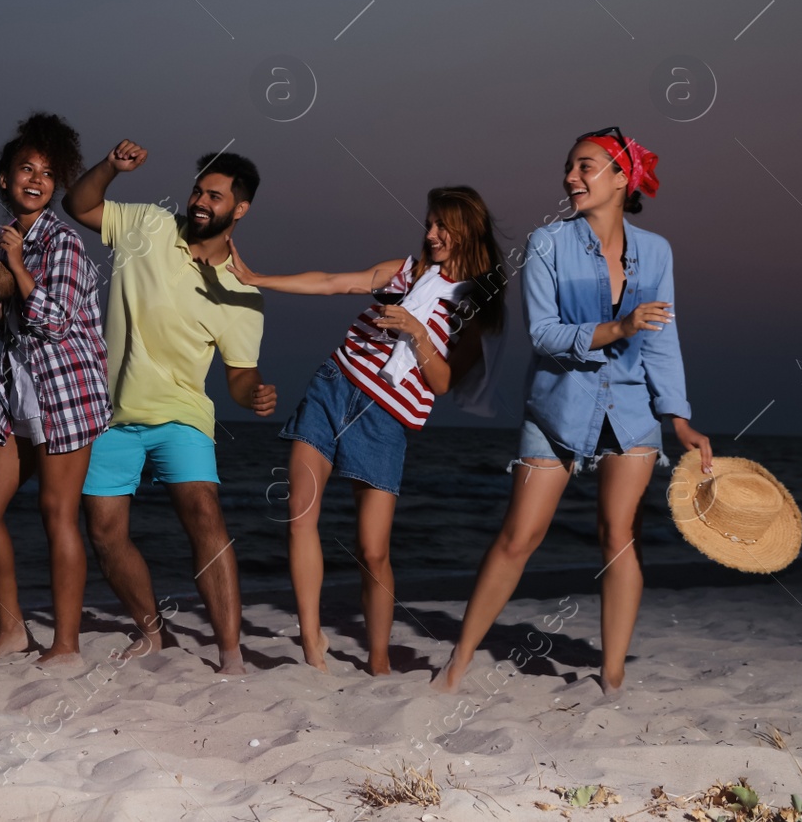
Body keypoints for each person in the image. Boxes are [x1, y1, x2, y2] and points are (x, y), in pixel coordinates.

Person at [437, 128, 713, 695]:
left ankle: (611, 681)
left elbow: (662, 340)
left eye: (585, 167)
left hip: (633, 409)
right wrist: (618, 327)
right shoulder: (547, 243)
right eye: (568, 167)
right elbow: (544, 334)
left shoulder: (656, 251)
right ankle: (457, 664)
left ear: (621, 177)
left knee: (619, 536)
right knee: (520, 536)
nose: (570, 178)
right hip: (558, 406)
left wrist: (679, 417)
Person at [226, 187, 506, 674]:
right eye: (430, 223)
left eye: (443, 226)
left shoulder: (470, 307)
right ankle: (312, 641)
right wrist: (256, 277)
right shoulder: (404, 271)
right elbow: (335, 282)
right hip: (334, 386)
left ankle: (378, 660)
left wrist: (416, 332)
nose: (432, 234)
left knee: (373, 551)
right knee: (299, 516)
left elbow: (440, 383)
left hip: (385, 419)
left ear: (467, 231)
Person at [62, 140, 274, 676]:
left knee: (204, 511)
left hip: (182, 414)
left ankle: (230, 655)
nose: (201, 201)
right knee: (105, 532)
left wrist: (255, 395)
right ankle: (153, 633)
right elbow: (79, 206)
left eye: (216, 196)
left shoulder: (242, 293)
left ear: (240, 209)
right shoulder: (148, 227)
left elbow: (239, 376)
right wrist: (112, 167)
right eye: (198, 190)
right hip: (110, 414)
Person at [0, 113, 111, 664]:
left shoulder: (64, 244)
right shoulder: (9, 238)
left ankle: (67, 645)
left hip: (68, 396)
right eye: (25, 168)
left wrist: (17, 270)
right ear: (4, 178)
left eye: (47, 174)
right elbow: (20, 326)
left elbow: (54, 321)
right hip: (23, 394)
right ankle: (12, 629)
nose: (35, 180)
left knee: (57, 512)